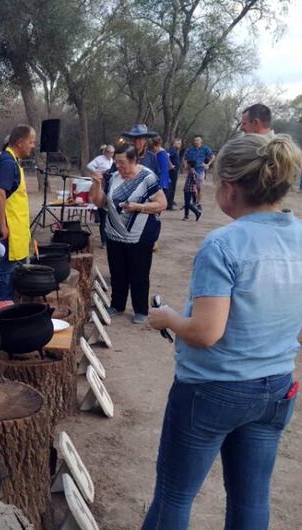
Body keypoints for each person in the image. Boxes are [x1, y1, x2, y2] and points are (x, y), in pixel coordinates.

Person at [145, 133, 302, 530]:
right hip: (276, 388)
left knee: (174, 495)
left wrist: (165, 318)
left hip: (212, 390)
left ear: (230, 189)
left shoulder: (223, 244)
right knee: (251, 500)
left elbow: (205, 331)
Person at [89, 143, 167, 324]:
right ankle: (117, 304)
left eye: (122, 162)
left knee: (139, 274)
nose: (118, 166)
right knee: (117, 272)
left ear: (134, 160)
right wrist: (96, 184)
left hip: (139, 236)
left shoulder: (147, 177)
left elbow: (161, 204)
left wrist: (138, 207)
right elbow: (100, 203)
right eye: (116, 162)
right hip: (115, 234)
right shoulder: (113, 176)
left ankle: (140, 309)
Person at [0, 124, 36, 300]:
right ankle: (2, 316)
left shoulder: (13, 161)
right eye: (31, 142)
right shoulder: (8, 163)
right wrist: (3, 225)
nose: (33, 146)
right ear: (20, 142)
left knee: (10, 277)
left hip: (17, 232)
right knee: (5, 278)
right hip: (9, 234)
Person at [86, 144, 115, 247]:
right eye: (109, 153)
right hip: (100, 185)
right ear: (105, 152)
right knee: (103, 215)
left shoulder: (113, 162)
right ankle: (104, 241)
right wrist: (97, 172)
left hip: (110, 187)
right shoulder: (100, 159)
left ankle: (109, 239)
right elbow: (89, 166)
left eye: (112, 153)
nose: (111, 155)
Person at [184, 134, 214, 202]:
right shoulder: (190, 149)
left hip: (200, 170)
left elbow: (212, 156)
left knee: (199, 187)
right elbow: (185, 158)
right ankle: (193, 201)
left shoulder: (205, 148)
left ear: (201, 141)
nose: (196, 141)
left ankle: (198, 202)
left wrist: (207, 164)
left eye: (198, 140)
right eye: (195, 140)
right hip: (191, 170)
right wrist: (185, 165)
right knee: (191, 188)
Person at [166, 138, 182, 210]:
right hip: (172, 172)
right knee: (171, 188)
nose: (179, 144)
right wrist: (171, 165)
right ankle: (169, 205)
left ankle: (170, 202)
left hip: (174, 171)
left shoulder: (175, 150)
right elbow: (167, 156)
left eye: (180, 143)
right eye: (178, 143)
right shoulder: (172, 149)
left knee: (172, 187)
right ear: (174, 143)